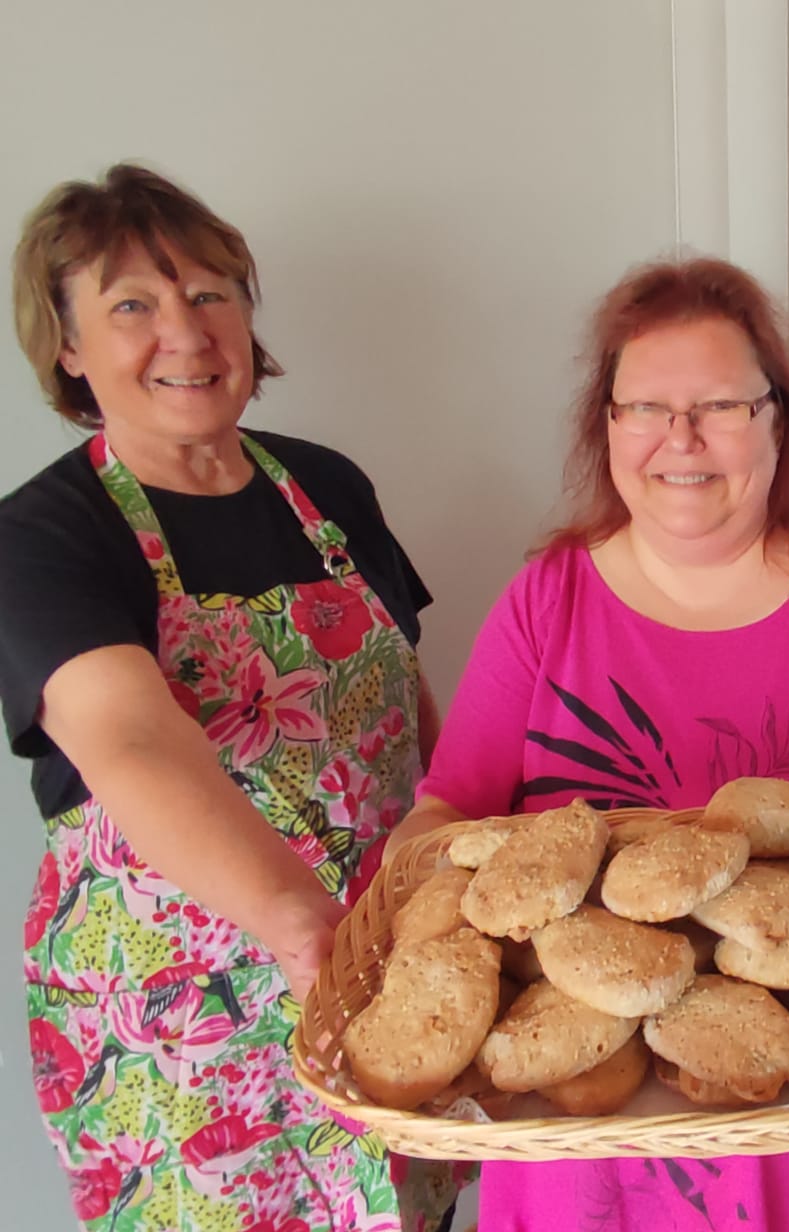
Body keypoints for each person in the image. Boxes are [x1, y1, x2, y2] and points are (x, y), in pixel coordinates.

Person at [385, 255, 789, 1232]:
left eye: (720, 405)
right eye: (643, 405)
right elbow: (451, 809)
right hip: (572, 1124)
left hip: (785, 1123)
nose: (679, 439)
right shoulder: (548, 598)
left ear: (780, 420)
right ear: (604, 424)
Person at [0, 164, 457, 1231]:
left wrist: (462, 868)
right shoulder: (44, 535)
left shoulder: (327, 487)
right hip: (181, 1020)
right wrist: (304, 930)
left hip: (378, 967)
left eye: (210, 293)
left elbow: (408, 701)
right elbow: (131, 743)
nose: (186, 332)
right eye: (131, 306)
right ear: (67, 345)